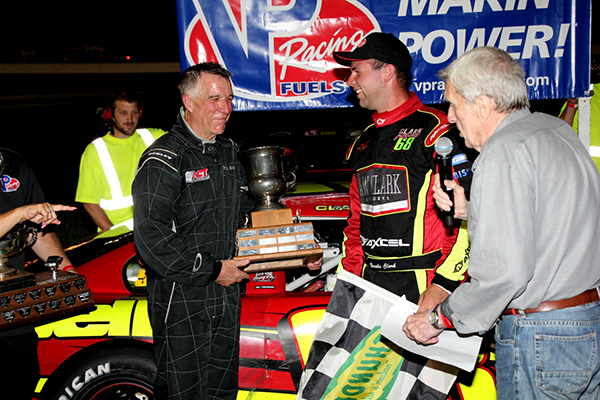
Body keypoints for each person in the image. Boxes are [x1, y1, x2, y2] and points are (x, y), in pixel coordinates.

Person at [403, 46, 600, 400]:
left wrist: (439, 318)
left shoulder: (502, 151)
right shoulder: (556, 131)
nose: (449, 117)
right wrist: (471, 210)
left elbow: (505, 272)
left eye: (453, 104)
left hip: (539, 335)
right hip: (587, 323)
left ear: (481, 105)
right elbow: (551, 223)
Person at [298, 32, 474, 399]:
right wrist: (349, 279)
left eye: (357, 71)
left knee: (420, 393)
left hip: (423, 287)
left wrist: (444, 286)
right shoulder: (363, 139)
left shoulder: (437, 131)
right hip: (370, 286)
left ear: (387, 72)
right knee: (349, 388)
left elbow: (468, 219)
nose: (350, 81)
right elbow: (356, 220)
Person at [0, 147, 75, 400]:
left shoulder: (14, 165)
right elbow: (25, 213)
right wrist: (21, 213)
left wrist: (67, 270)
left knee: (22, 383)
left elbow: (37, 231)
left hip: (12, 311)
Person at [76, 91, 166, 233]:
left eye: (134, 113)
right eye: (123, 113)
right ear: (110, 115)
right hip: (119, 238)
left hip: (155, 232)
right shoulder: (96, 150)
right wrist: (114, 235)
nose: (130, 119)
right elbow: (90, 203)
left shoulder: (153, 137)